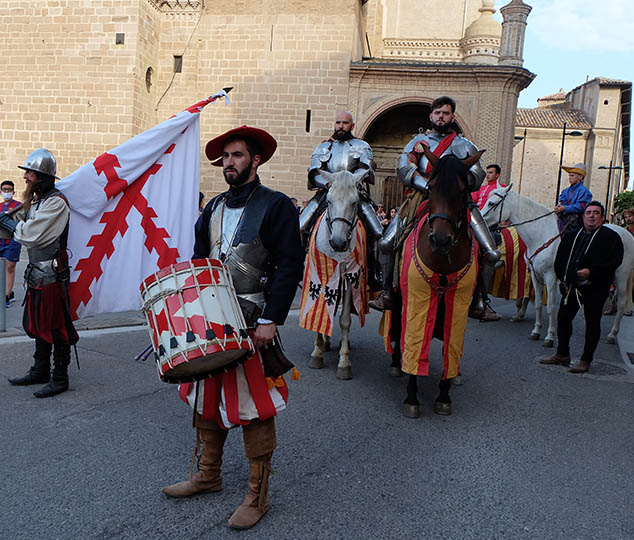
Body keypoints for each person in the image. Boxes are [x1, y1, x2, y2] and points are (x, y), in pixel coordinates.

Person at [162, 126, 303, 530]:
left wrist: (271, 319)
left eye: (237, 155)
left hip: (253, 317)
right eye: (225, 156)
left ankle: (257, 495)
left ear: (255, 160)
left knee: (254, 405)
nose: (229, 162)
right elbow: (199, 258)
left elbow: (289, 264)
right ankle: (208, 474)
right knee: (206, 396)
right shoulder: (214, 207)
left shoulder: (276, 206)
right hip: (212, 318)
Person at [375, 96, 502, 320]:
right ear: (431, 116)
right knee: (386, 242)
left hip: (456, 201)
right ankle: (386, 293)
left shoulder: (464, 145)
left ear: (452, 117)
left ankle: (481, 302)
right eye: (437, 113)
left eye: (445, 113)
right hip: (420, 198)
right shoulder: (418, 142)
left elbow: (477, 173)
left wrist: (455, 186)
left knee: (491, 252)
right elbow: (405, 167)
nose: (441, 117)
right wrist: (429, 187)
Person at [0, 149, 79, 398]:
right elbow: (13, 223)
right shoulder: (36, 201)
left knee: (57, 327)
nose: (26, 177)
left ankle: (60, 377)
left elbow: (30, 233)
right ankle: (40, 370)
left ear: (41, 176)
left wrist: (4, 222)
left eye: (29, 172)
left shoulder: (55, 203)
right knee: (39, 324)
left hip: (53, 273)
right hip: (37, 273)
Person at [299, 111, 382, 288]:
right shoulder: (324, 148)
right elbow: (313, 173)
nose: (340, 126)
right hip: (327, 192)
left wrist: (349, 181)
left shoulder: (362, 146)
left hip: (353, 192)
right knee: (299, 225)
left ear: (352, 126)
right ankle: (298, 267)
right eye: (338, 123)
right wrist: (329, 184)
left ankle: (374, 273)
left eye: (345, 123)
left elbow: (366, 169)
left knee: (376, 231)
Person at [540, 202, 623, 374]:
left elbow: (614, 261)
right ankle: (562, 354)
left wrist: (591, 272)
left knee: (592, 323)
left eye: (596, 213)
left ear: (602, 217)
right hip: (571, 286)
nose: (591, 216)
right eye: (588, 213)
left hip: (595, 287)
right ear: (583, 216)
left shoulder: (611, 237)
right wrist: (563, 278)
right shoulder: (571, 235)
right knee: (563, 319)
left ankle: (586, 360)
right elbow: (560, 258)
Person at [0, 180, 22, 307]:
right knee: (1, 267)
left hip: (12, 241)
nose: (6, 192)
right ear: (0, 191)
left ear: (13, 191)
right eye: (4, 189)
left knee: (10, 266)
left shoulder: (19, 205)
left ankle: (7, 295)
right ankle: (7, 291)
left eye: (9, 190)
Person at [553, 163, 593, 234]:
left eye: (572, 175)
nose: (570, 178)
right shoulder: (565, 191)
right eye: (569, 175)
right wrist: (559, 208)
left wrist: (565, 208)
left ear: (580, 177)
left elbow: (580, 206)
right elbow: (562, 202)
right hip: (564, 217)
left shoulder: (585, 192)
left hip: (577, 221)